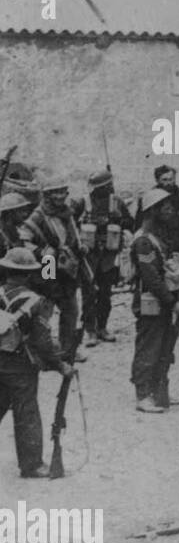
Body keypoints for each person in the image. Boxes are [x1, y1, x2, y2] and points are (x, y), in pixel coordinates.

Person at [0, 247, 75, 477]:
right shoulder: (47, 245)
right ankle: (31, 463)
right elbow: (50, 279)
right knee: (26, 411)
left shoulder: (47, 240)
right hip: (36, 302)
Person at [130, 189, 179, 413]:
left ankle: (159, 390)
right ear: (153, 211)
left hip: (162, 299)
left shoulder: (160, 236)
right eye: (165, 207)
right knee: (149, 347)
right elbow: (151, 277)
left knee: (165, 346)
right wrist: (173, 303)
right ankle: (143, 394)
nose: (170, 211)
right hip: (151, 301)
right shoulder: (144, 241)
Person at [21, 179, 87, 359]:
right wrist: (41, 252)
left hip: (67, 265)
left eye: (63, 192)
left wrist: (79, 246)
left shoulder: (67, 213)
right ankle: (41, 349)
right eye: (55, 192)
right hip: (48, 265)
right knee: (46, 307)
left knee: (71, 308)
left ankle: (67, 349)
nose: (60, 196)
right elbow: (23, 239)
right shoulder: (38, 216)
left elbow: (72, 235)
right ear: (47, 195)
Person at [74, 169, 133, 346]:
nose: (99, 191)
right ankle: (90, 330)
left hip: (109, 256)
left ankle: (102, 328)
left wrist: (118, 220)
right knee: (89, 294)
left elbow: (130, 222)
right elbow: (70, 225)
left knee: (106, 294)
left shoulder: (117, 203)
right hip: (88, 256)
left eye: (104, 187)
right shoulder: (82, 203)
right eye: (97, 188)